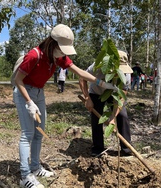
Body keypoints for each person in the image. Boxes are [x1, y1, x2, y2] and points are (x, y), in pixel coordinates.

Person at [12, 24, 118, 188]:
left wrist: (101, 83)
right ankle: (25, 177)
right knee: (28, 134)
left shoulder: (58, 58)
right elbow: (18, 81)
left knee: (39, 132)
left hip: (39, 93)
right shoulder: (34, 55)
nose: (63, 53)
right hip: (24, 93)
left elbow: (80, 72)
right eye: (61, 49)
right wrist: (29, 103)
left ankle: (35, 167)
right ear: (52, 43)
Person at [79, 50, 133, 157]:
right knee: (96, 118)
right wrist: (87, 98)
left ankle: (126, 149)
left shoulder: (125, 75)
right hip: (96, 93)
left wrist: (113, 116)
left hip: (114, 95)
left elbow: (123, 95)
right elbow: (82, 78)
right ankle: (98, 148)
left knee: (122, 116)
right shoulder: (98, 67)